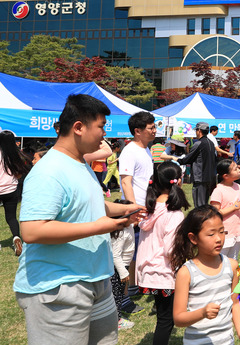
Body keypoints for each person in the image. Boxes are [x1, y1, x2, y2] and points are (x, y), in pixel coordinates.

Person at [14, 94, 143, 344]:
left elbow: (87, 202)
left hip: (96, 281)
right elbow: (32, 230)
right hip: (59, 289)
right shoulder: (49, 171)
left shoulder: (79, 162)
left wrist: (122, 210)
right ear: (78, 128)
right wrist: (97, 227)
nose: (104, 134)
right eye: (101, 127)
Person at [172, 205, 240, 345]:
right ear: (193, 238)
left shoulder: (232, 266)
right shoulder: (186, 273)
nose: (219, 239)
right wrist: (202, 313)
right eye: (211, 234)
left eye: (222, 232)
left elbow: (236, 303)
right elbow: (178, 318)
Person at [136, 161, 190, 345]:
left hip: (148, 271)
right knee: (166, 321)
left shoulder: (149, 210)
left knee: (163, 317)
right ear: (179, 181)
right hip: (164, 272)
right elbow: (170, 250)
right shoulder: (174, 214)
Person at [209, 159, 240, 260]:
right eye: (235, 169)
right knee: (221, 259)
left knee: (233, 259)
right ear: (225, 176)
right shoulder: (218, 190)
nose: (239, 170)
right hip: (224, 232)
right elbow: (216, 213)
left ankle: (231, 275)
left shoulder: (238, 187)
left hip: (237, 229)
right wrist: (234, 207)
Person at [0, 130, 31, 256]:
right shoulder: (16, 154)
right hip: (11, 190)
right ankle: (16, 237)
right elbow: (19, 174)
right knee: (11, 217)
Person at [110, 198, 137, 330]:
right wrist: (123, 272)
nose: (136, 215)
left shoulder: (129, 226)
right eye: (133, 213)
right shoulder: (120, 232)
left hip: (123, 267)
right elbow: (115, 255)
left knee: (119, 293)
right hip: (118, 269)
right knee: (116, 295)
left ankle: (117, 317)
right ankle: (116, 321)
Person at [119, 111, 156, 206]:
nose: (155, 131)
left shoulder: (146, 149)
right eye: (151, 128)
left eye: (154, 127)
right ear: (137, 131)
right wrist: (134, 208)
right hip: (138, 207)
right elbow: (125, 182)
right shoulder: (129, 151)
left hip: (148, 205)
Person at [178, 122, 217, 208]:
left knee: (199, 205)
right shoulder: (211, 143)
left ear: (199, 131)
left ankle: (201, 220)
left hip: (200, 177)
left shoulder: (198, 144)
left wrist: (177, 160)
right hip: (210, 177)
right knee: (205, 203)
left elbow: (188, 159)